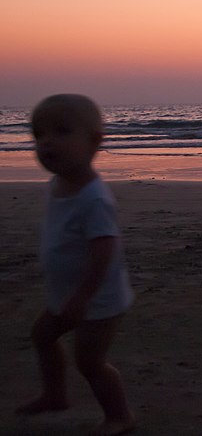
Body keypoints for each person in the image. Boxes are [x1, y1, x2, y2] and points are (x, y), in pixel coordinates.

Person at [16, 94, 136, 436]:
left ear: (95, 141)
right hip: (65, 294)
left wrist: (83, 296)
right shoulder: (59, 184)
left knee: (90, 362)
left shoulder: (93, 198)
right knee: (42, 336)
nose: (47, 142)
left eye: (62, 131)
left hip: (96, 300)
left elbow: (104, 250)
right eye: (38, 135)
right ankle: (55, 395)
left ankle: (120, 416)